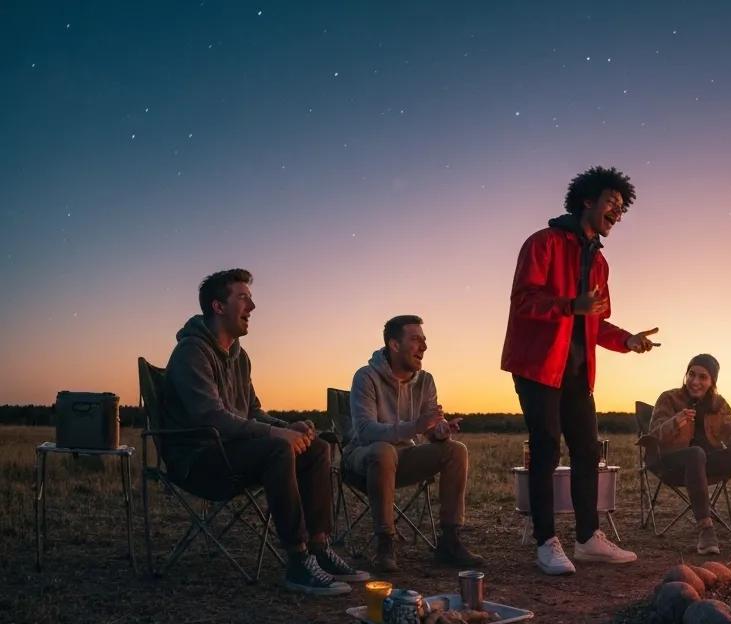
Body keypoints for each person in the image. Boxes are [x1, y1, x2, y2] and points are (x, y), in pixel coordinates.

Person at [163, 268, 368, 595]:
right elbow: (211, 416)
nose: (253, 307)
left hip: (234, 453)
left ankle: (319, 547)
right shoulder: (192, 352)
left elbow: (252, 411)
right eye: (243, 298)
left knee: (316, 448)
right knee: (277, 449)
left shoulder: (239, 357)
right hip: (198, 460)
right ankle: (298, 561)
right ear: (218, 307)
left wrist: (289, 428)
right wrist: (277, 438)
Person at [502, 165, 658, 575]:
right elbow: (523, 302)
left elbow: (595, 322)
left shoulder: (601, 264)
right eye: (612, 202)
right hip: (538, 366)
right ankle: (545, 542)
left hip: (577, 370)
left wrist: (626, 340)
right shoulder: (543, 243)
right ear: (587, 200)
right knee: (547, 446)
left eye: (622, 209)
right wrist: (571, 305)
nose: (617, 213)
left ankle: (588, 538)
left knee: (588, 449)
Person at [343, 315, 484, 573]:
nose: (424, 347)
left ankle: (449, 542)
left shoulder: (425, 381)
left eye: (425, 340)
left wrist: (440, 431)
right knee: (383, 451)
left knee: (456, 451)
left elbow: (428, 429)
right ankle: (385, 543)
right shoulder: (365, 377)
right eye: (416, 339)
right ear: (394, 345)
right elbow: (365, 432)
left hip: (404, 458)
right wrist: (416, 426)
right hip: (362, 459)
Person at [646, 354, 731, 554]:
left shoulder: (719, 404)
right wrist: (674, 422)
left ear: (712, 381)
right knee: (696, 453)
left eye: (703, 377)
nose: (695, 381)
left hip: (705, 463)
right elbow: (653, 436)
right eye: (691, 374)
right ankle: (705, 528)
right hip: (671, 463)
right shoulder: (668, 398)